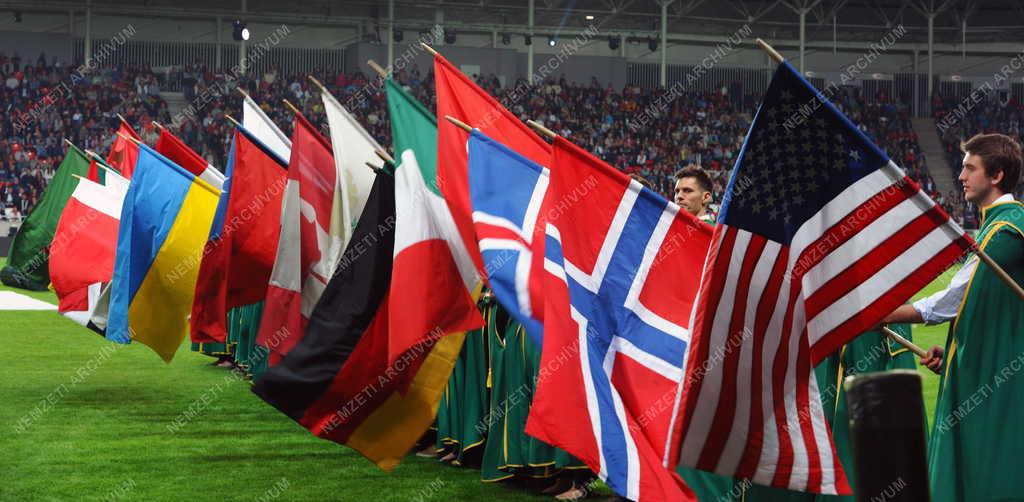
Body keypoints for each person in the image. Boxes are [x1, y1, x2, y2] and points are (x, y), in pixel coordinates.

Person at [878, 132, 1024, 502]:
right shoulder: (996, 227)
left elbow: (950, 301)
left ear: (997, 175)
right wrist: (956, 355)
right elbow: (981, 311)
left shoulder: (1007, 230)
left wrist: (877, 313)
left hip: (998, 381)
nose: (961, 177)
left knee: (987, 476)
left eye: (970, 168)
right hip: (985, 369)